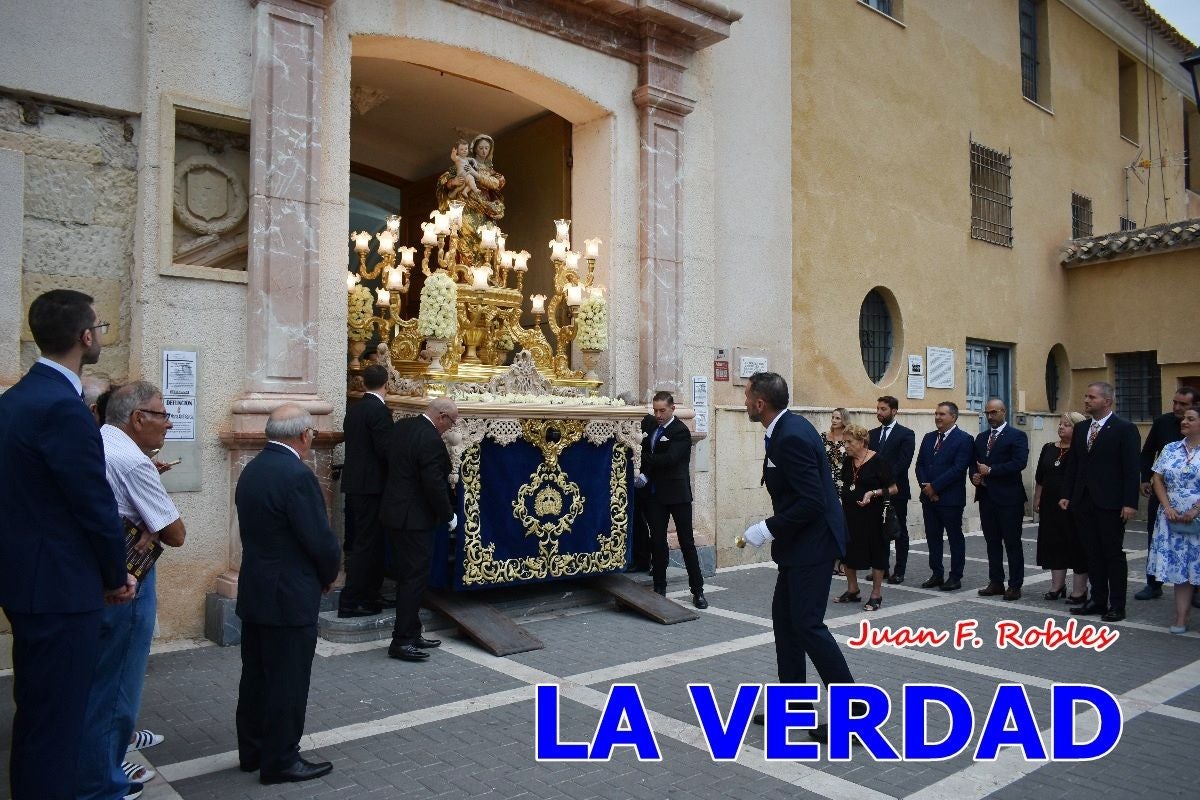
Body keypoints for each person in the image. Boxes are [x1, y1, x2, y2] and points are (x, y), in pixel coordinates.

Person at [0, 289, 135, 800]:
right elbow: (91, 503)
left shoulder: (15, 400)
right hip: (60, 587)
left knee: (37, 712)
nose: (100, 334)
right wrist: (114, 573)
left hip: (27, 579)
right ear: (85, 337)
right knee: (58, 720)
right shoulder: (64, 407)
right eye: (98, 326)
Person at [77, 382, 187, 800]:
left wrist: (145, 520)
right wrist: (150, 520)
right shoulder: (133, 462)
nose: (169, 423)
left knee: (96, 680)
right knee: (118, 682)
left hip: (93, 575)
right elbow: (175, 533)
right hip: (127, 579)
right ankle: (104, 781)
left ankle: (92, 766)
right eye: (162, 414)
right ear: (138, 418)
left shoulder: (98, 440)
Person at [741, 373, 856, 739]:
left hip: (813, 544)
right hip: (800, 545)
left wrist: (767, 528)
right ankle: (795, 710)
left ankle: (853, 717)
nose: (744, 402)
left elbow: (812, 501)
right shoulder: (787, 427)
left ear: (760, 403)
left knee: (807, 625)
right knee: (786, 623)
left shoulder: (790, 435)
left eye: (747, 397)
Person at [234, 405, 340, 785]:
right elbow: (319, 538)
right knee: (288, 680)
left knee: (258, 675)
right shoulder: (297, 475)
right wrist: (329, 574)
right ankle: (280, 759)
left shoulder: (254, 468)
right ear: (303, 435)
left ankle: (253, 750)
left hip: (257, 588)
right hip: (289, 593)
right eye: (312, 433)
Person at [380, 397, 459, 662]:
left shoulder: (403, 427)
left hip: (394, 513)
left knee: (409, 578)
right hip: (414, 521)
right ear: (442, 416)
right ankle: (401, 640)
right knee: (413, 580)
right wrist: (448, 515)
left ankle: (413, 632)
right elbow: (433, 484)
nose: (451, 427)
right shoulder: (431, 440)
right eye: (452, 422)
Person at [1060, 382, 1141, 623]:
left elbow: (1130, 468)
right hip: (1083, 501)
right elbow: (1074, 464)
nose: (1086, 400)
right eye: (1085, 396)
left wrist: (1129, 502)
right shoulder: (1083, 427)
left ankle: (1117, 604)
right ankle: (1097, 599)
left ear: (1107, 402)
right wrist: (1067, 494)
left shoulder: (1124, 429)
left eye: (1091, 397)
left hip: (1111, 502)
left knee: (1112, 554)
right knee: (1091, 552)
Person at [639, 391, 707, 608]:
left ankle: (697, 591)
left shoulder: (680, 431)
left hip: (678, 495)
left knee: (687, 543)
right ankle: (659, 587)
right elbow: (638, 424)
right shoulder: (651, 425)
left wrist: (645, 459)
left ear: (672, 409)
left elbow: (670, 459)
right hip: (656, 494)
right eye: (655, 410)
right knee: (657, 541)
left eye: (662, 411)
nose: (658, 415)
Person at [338, 364, 393, 618]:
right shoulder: (379, 411)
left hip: (355, 483)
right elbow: (384, 450)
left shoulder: (355, 409)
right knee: (366, 544)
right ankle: (352, 601)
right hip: (372, 486)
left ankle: (370, 594)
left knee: (362, 541)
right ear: (386, 383)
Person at [1136, 386, 1199, 600]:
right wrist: (1145, 478)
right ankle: (1153, 583)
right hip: (1163, 493)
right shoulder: (1162, 422)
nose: (1177, 408)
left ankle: (1196, 588)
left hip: (1194, 499)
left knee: (1195, 544)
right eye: (1175, 403)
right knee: (1157, 538)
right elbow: (1147, 452)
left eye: (1184, 405)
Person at [1145, 405, 1200, 632]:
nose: (1184, 422)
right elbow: (1157, 478)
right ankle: (1181, 618)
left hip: (1196, 515)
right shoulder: (1170, 448)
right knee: (1181, 569)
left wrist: (1196, 509)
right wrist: (1166, 506)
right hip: (1173, 517)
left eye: (1190, 418)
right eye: (1183, 419)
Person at [970, 398, 1030, 601]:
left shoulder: (1017, 436)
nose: (990, 417)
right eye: (987, 413)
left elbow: (1019, 463)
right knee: (992, 542)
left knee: (1012, 543)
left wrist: (992, 471)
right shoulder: (981, 437)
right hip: (987, 497)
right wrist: (975, 477)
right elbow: (974, 463)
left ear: (1003, 411)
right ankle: (996, 581)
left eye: (994, 412)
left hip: (1009, 498)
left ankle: (1015, 585)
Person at [833, 425, 897, 611]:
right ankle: (853, 590)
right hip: (850, 515)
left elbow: (893, 489)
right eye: (844, 441)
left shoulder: (879, 461)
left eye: (849, 442)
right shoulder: (848, 461)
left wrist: (873, 493)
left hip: (874, 516)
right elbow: (846, 484)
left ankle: (876, 594)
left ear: (862, 442)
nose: (846, 445)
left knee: (877, 552)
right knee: (848, 551)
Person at [915, 401, 973, 591]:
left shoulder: (964, 439)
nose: (938, 417)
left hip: (950, 499)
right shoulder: (929, 437)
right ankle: (936, 574)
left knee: (955, 538)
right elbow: (920, 465)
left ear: (953, 417)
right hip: (929, 498)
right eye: (936, 413)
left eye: (942, 414)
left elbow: (958, 469)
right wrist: (926, 488)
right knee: (933, 537)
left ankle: (955, 576)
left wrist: (935, 488)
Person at [1034, 412, 1090, 603]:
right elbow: (1040, 477)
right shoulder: (1048, 448)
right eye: (1060, 424)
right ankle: (1057, 586)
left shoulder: (1082, 450)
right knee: (1053, 543)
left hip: (1073, 504)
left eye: (1066, 425)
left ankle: (1080, 590)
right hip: (1050, 504)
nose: (1061, 427)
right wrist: (1037, 499)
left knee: (1076, 545)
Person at [435, 134, 505, 268]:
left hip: (485, 210)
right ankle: (464, 273)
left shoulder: (492, 172)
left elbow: (497, 184)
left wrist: (476, 174)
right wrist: (452, 182)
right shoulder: (464, 162)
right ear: (475, 149)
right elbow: (444, 180)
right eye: (481, 148)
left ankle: (484, 275)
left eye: (487, 148)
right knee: (464, 239)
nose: (484, 151)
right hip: (467, 207)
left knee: (486, 244)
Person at [870, 395, 915, 584]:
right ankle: (882, 568)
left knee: (898, 531)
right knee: (879, 532)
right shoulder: (871, 434)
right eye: (878, 409)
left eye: (883, 409)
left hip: (897, 490)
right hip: (877, 491)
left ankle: (899, 570)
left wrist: (885, 481)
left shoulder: (906, 434)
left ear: (894, 411)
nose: (879, 412)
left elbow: (903, 463)